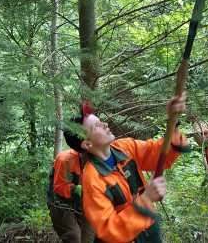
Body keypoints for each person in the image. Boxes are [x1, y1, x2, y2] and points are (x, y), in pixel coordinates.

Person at [63, 95, 190, 243]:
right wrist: (146, 199)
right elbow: (109, 230)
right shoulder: (92, 180)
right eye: (96, 126)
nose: (104, 124)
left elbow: (157, 154)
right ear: (87, 144)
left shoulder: (125, 148)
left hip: (149, 233)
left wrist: (172, 123)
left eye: (100, 121)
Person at [46, 135, 95, 243]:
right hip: (60, 203)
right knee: (74, 237)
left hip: (83, 203)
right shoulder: (66, 159)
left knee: (91, 236)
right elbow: (59, 187)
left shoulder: (98, 161)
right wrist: (78, 189)